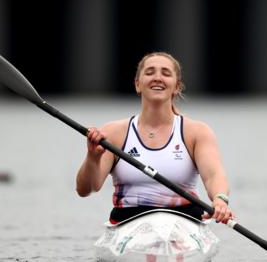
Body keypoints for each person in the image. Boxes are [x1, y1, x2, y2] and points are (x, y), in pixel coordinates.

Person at [76, 52, 233, 224]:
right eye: (150, 72)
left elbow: (213, 175)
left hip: (185, 221)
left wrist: (219, 199)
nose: (157, 78)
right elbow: (86, 189)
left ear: (176, 87)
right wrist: (92, 158)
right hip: (128, 222)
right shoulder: (113, 132)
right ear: (138, 84)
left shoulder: (196, 132)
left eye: (166, 73)